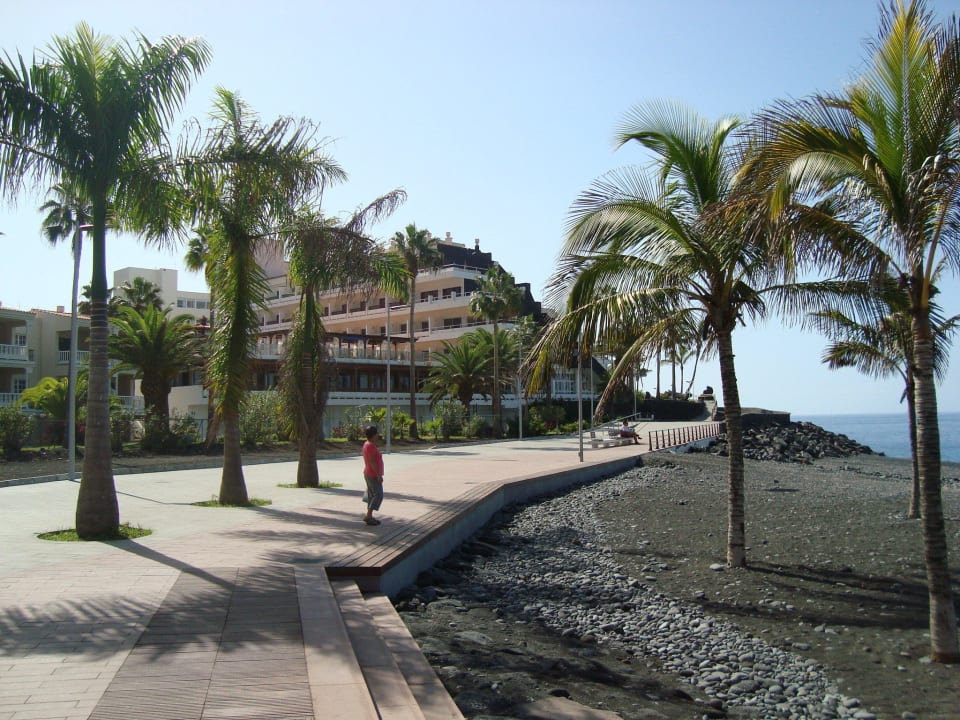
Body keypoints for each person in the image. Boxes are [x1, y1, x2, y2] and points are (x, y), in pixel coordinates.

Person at [361, 425, 384, 525]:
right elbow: (372, 461)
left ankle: (369, 516)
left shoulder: (368, 444)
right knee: (378, 494)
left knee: (372, 494)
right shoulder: (370, 445)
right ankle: (369, 515)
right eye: (377, 433)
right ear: (374, 435)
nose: (378, 435)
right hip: (372, 474)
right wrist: (378, 475)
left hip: (369, 473)